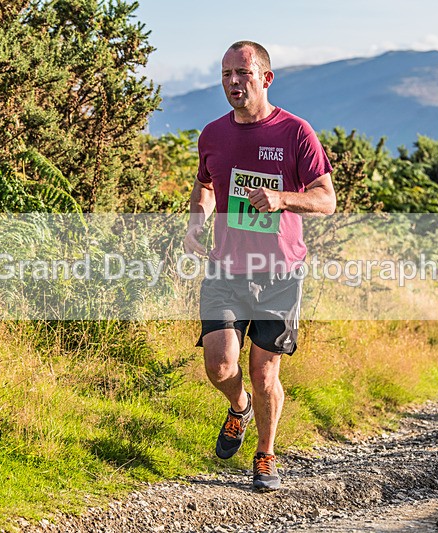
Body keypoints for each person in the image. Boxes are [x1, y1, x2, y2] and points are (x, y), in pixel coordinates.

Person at [183, 41, 336, 491]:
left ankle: (266, 454)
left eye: (243, 73)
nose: (233, 82)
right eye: (226, 74)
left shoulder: (295, 132)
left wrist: (282, 198)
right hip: (226, 269)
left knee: (265, 373)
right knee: (219, 365)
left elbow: (326, 199)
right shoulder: (213, 134)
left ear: (265, 79)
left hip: (280, 275)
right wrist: (196, 223)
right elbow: (204, 186)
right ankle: (239, 407)